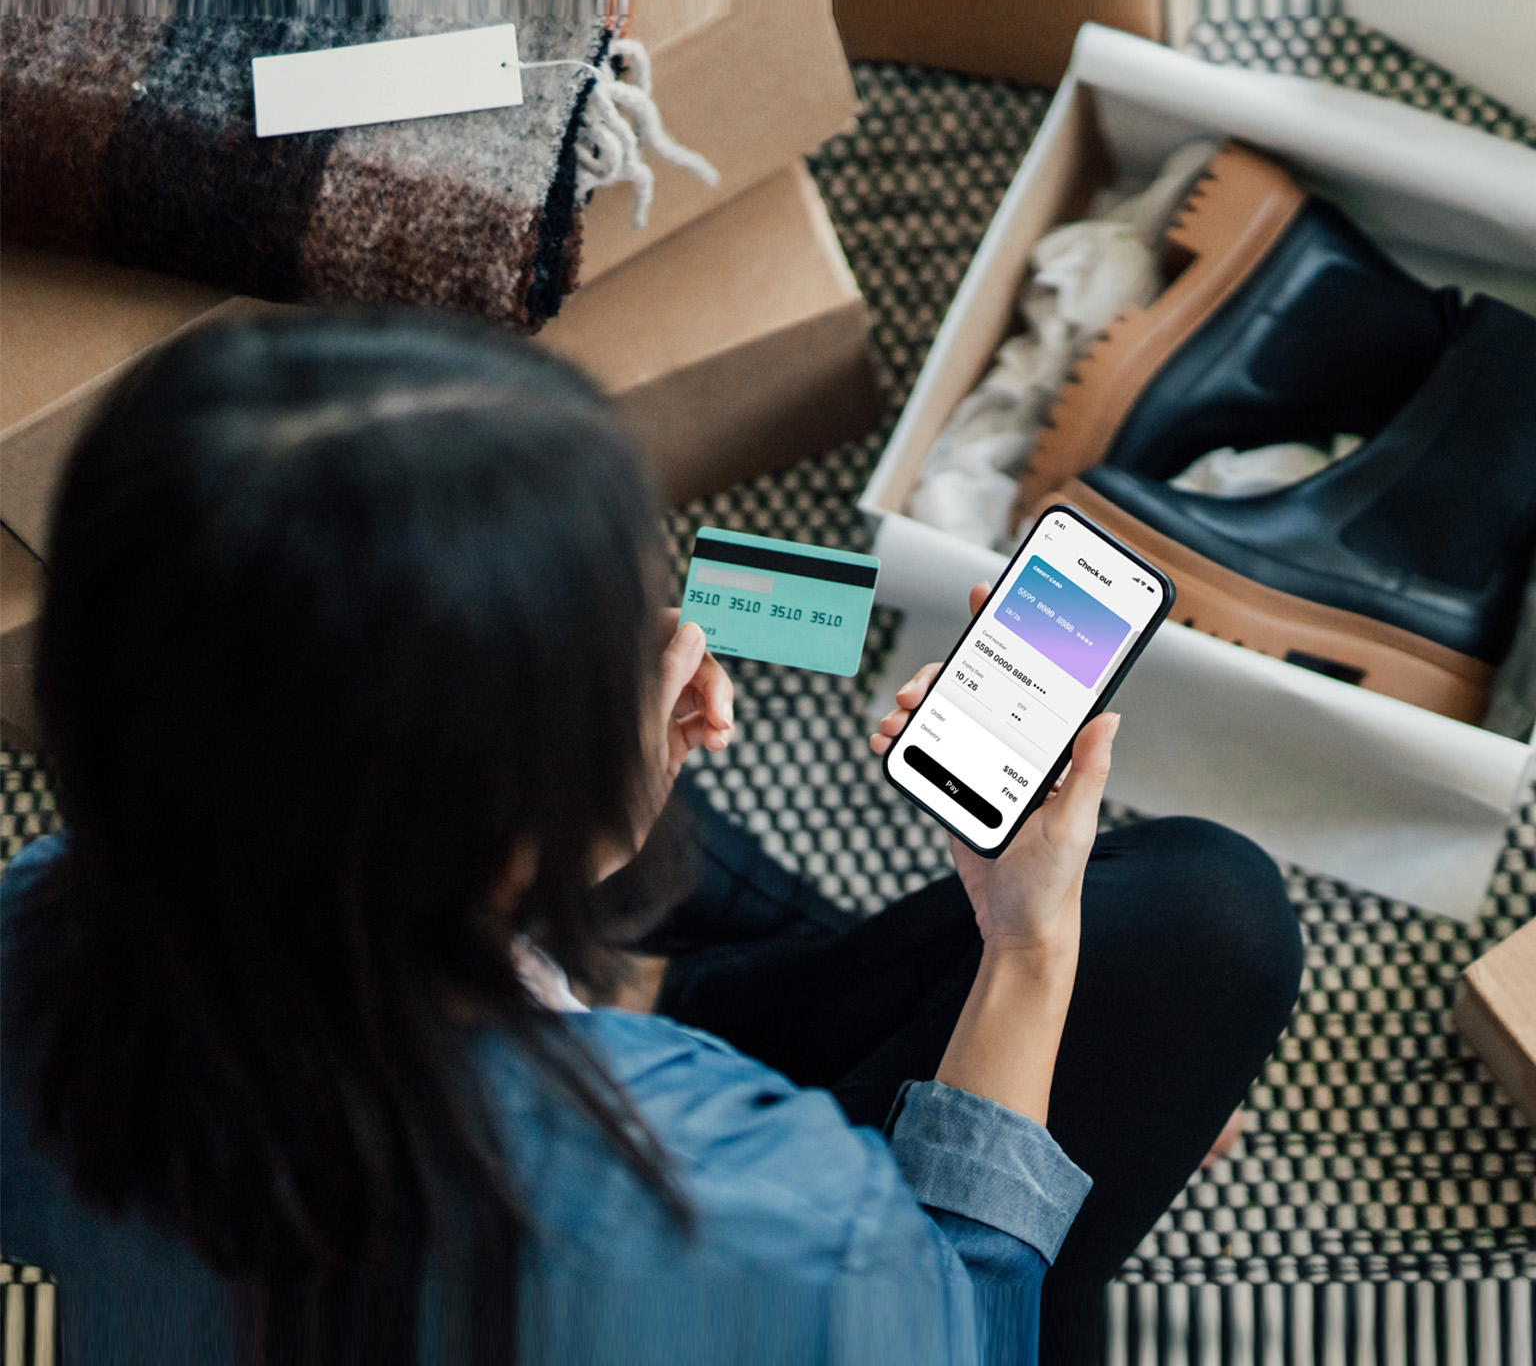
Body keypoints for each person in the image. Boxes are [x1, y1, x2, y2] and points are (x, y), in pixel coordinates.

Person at [0, 311, 1302, 1364]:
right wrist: (1029, 957)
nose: (668, 649)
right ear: (506, 811)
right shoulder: (742, 1208)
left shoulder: (39, 920)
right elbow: (966, 1321)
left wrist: (575, 840)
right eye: (616, 642)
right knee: (1210, 921)